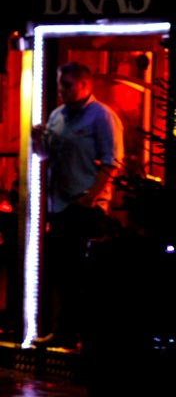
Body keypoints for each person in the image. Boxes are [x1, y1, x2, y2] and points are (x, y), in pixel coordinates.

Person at [31, 62, 124, 346]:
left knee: (82, 273)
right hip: (59, 203)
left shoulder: (101, 116)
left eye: (68, 85)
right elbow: (45, 154)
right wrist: (37, 138)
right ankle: (64, 332)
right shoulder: (58, 115)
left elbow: (112, 161)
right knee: (63, 271)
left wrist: (92, 196)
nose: (62, 90)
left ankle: (85, 335)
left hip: (84, 204)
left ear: (85, 85)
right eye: (61, 84)